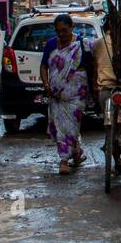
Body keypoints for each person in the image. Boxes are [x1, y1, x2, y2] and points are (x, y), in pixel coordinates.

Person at [38, 13, 96, 174]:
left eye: (64, 30)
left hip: (76, 95)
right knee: (59, 126)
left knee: (72, 126)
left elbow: (92, 68)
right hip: (56, 95)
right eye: (58, 31)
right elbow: (44, 67)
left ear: (72, 28)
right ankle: (76, 154)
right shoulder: (51, 45)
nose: (61, 34)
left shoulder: (82, 45)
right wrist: (46, 84)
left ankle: (64, 160)